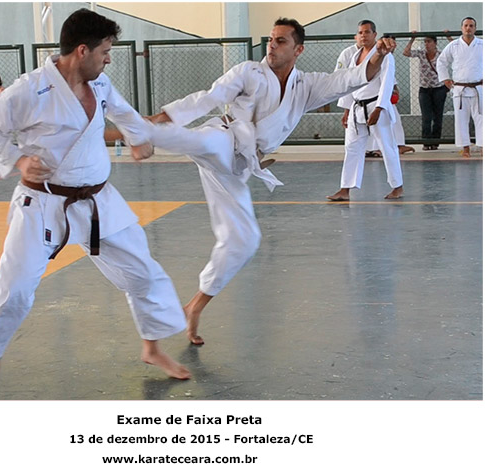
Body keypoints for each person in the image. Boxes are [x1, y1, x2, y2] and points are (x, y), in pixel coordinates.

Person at [0, 9, 190, 400]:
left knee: (143, 273)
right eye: (105, 51)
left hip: (97, 200)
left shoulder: (99, 83)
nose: (109, 59)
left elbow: (124, 113)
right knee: (15, 287)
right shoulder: (31, 89)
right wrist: (19, 160)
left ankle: (151, 348)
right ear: (82, 51)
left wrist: (139, 138)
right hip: (42, 201)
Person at [145, 18, 396, 344]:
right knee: (205, 142)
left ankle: (193, 307)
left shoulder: (305, 86)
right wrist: (157, 120)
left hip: (239, 167)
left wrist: (377, 55)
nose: (272, 46)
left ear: (298, 49)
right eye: (271, 39)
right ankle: (144, 133)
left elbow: (349, 79)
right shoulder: (249, 72)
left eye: (280, 41)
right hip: (225, 136)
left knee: (244, 241)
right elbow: (208, 98)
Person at [327, 20, 403, 202]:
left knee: (387, 147)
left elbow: (387, 83)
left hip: (377, 105)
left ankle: (397, 186)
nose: (363, 35)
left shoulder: (385, 55)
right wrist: (346, 110)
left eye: (367, 32)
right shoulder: (354, 56)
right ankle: (345, 189)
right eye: (360, 32)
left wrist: (379, 108)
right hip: (357, 108)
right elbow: (349, 83)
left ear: (375, 35)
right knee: (352, 148)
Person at [437, 17, 483, 158]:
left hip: (479, 88)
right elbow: (441, 61)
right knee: (461, 120)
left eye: (471, 26)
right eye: (466, 25)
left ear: (475, 28)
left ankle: (482, 146)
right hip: (460, 89)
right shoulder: (454, 45)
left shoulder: (481, 44)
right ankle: (465, 148)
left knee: (481, 119)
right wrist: (445, 79)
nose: (468, 28)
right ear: (461, 28)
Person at [404, 32, 452, 150]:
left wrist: (448, 37)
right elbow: (406, 52)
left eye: (429, 41)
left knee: (437, 116)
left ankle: (435, 141)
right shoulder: (421, 54)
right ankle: (426, 141)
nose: (426, 44)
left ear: (435, 43)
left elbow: (455, 51)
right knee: (426, 117)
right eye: (425, 41)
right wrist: (412, 39)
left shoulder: (441, 54)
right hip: (425, 89)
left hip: (438, 88)